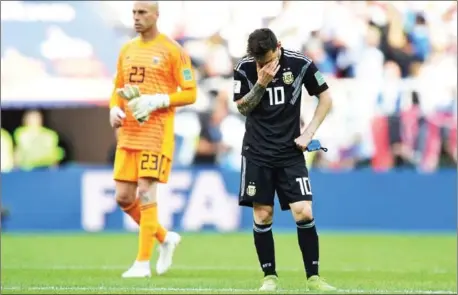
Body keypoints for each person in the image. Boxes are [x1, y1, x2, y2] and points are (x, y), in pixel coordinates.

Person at [233, 28, 335, 291]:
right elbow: (242, 108)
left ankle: (313, 277)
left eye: (266, 60)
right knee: (263, 214)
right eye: (258, 61)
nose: (262, 65)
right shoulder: (245, 68)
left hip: (290, 152)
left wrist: (309, 132)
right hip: (257, 152)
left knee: (304, 210)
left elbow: (326, 97)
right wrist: (261, 83)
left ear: (277, 47)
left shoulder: (300, 64)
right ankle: (270, 276)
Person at [109, 1, 197, 278]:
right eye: (134, 13)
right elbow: (118, 87)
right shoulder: (127, 49)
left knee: (146, 192)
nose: (136, 18)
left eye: (142, 12)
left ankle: (141, 264)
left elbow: (190, 92)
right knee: (124, 198)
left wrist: (160, 99)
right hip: (129, 134)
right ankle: (164, 237)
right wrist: (114, 107)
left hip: (156, 134)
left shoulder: (173, 50)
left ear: (156, 15)